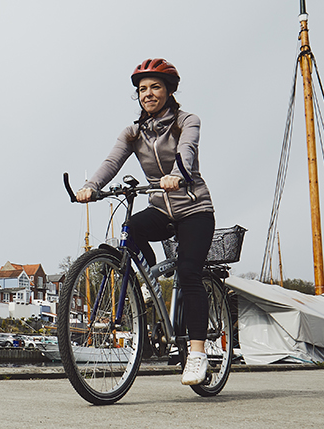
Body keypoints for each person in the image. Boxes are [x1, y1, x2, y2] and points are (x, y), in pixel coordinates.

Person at [75, 58, 217, 385]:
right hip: (162, 209)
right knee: (132, 229)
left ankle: (196, 354)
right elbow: (112, 161)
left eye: (155, 87)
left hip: (194, 208)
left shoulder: (186, 121)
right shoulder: (133, 132)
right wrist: (91, 187)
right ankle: (148, 282)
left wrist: (177, 176)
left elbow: (187, 152)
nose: (148, 94)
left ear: (168, 90)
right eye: (142, 89)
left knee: (188, 272)